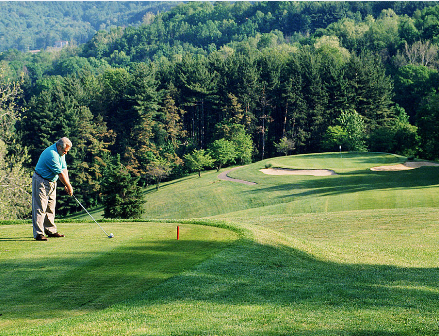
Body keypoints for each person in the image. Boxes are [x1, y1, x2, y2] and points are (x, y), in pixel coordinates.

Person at [32, 137, 74, 241]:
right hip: (41, 180)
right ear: (59, 147)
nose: (66, 153)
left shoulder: (61, 153)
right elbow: (60, 174)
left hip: (51, 181)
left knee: (50, 207)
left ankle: (50, 230)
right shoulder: (52, 154)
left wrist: (67, 184)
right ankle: (39, 234)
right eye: (65, 151)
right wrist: (69, 187)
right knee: (40, 207)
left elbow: (64, 169)